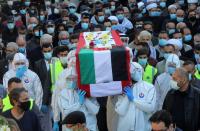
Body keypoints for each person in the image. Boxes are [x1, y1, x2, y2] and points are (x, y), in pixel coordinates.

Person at [52, 66, 99, 131]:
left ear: (79, 80)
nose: (71, 81)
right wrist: (79, 104)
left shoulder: (88, 92)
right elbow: (66, 111)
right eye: (69, 79)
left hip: (89, 127)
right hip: (72, 128)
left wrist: (85, 100)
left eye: (73, 79)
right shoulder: (63, 94)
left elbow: (95, 110)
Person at [115, 62, 156, 131]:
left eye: (138, 70)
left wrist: (134, 100)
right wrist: (126, 98)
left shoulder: (150, 87)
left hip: (142, 127)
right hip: (124, 127)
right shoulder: (123, 89)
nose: (136, 73)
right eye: (133, 71)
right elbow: (120, 111)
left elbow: (150, 107)